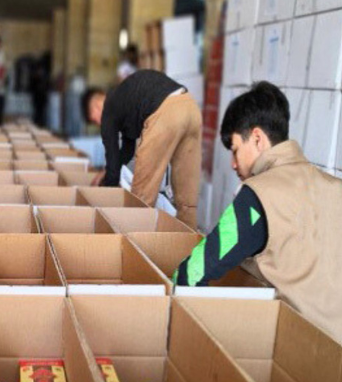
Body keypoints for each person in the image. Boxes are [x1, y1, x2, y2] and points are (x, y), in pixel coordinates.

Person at [173, 82, 342, 344]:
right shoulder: (335, 188)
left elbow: (193, 272)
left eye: (235, 149)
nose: (232, 163)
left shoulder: (257, 197)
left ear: (257, 138)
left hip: (299, 353)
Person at [82, 69, 202, 229]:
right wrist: (106, 171)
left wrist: (104, 204)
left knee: (141, 199)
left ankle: (136, 248)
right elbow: (126, 151)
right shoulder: (124, 101)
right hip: (190, 107)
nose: (98, 124)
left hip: (165, 113)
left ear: (96, 106)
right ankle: (188, 246)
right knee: (186, 202)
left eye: (93, 119)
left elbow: (113, 169)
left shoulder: (109, 108)